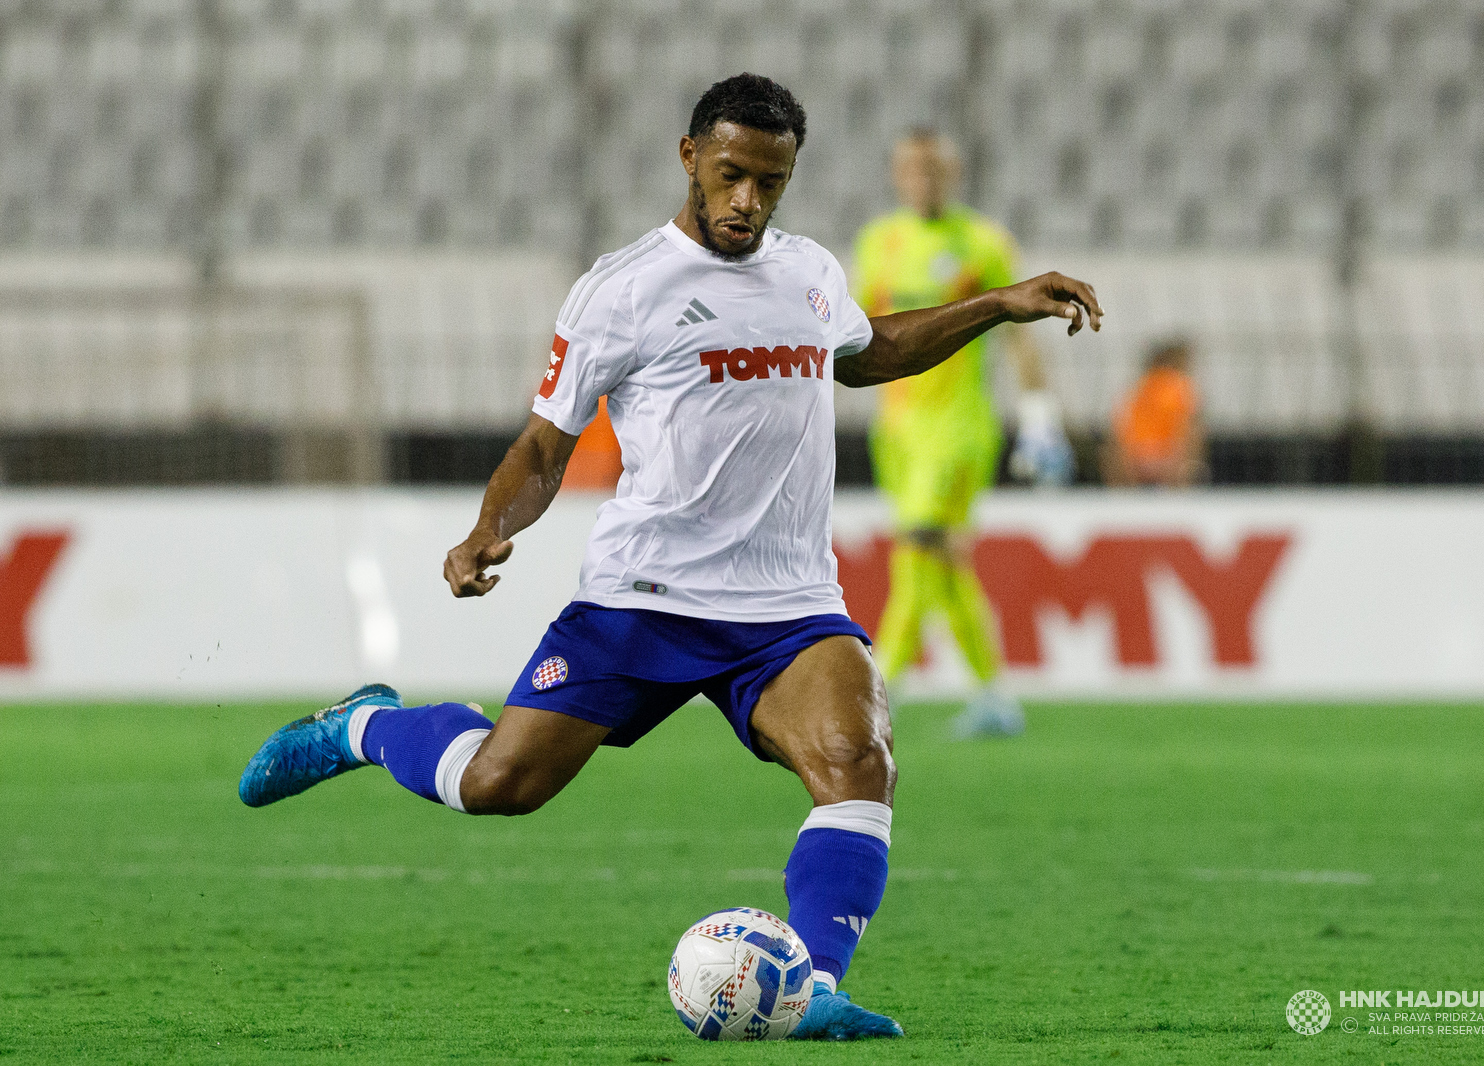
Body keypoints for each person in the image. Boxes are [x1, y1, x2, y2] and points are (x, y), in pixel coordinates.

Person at [237, 74, 1101, 1041]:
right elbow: (543, 444)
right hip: (641, 599)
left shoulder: (810, 270)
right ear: (689, 157)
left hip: (784, 602)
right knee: (497, 788)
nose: (748, 202)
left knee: (859, 762)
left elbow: (871, 351)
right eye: (732, 176)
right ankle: (366, 728)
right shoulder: (623, 288)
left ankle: (809, 987)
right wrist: (493, 526)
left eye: (771, 184)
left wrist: (1000, 305)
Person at [853, 130, 1071, 738]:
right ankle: (995, 697)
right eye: (912, 167)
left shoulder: (983, 244)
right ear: (899, 174)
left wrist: (1038, 417)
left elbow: (1020, 332)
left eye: (934, 167)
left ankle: (875, 691)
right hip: (895, 428)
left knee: (917, 548)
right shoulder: (879, 242)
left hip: (958, 428)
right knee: (944, 562)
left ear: (953, 172)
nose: (923, 178)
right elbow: (856, 331)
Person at [1102, 339, 1204, 488]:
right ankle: (1180, 489)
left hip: (1133, 461)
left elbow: (1120, 428)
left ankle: (1125, 492)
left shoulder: (1137, 387)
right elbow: (1186, 429)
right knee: (1194, 430)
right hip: (1167, 461)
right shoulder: (1180, 385)